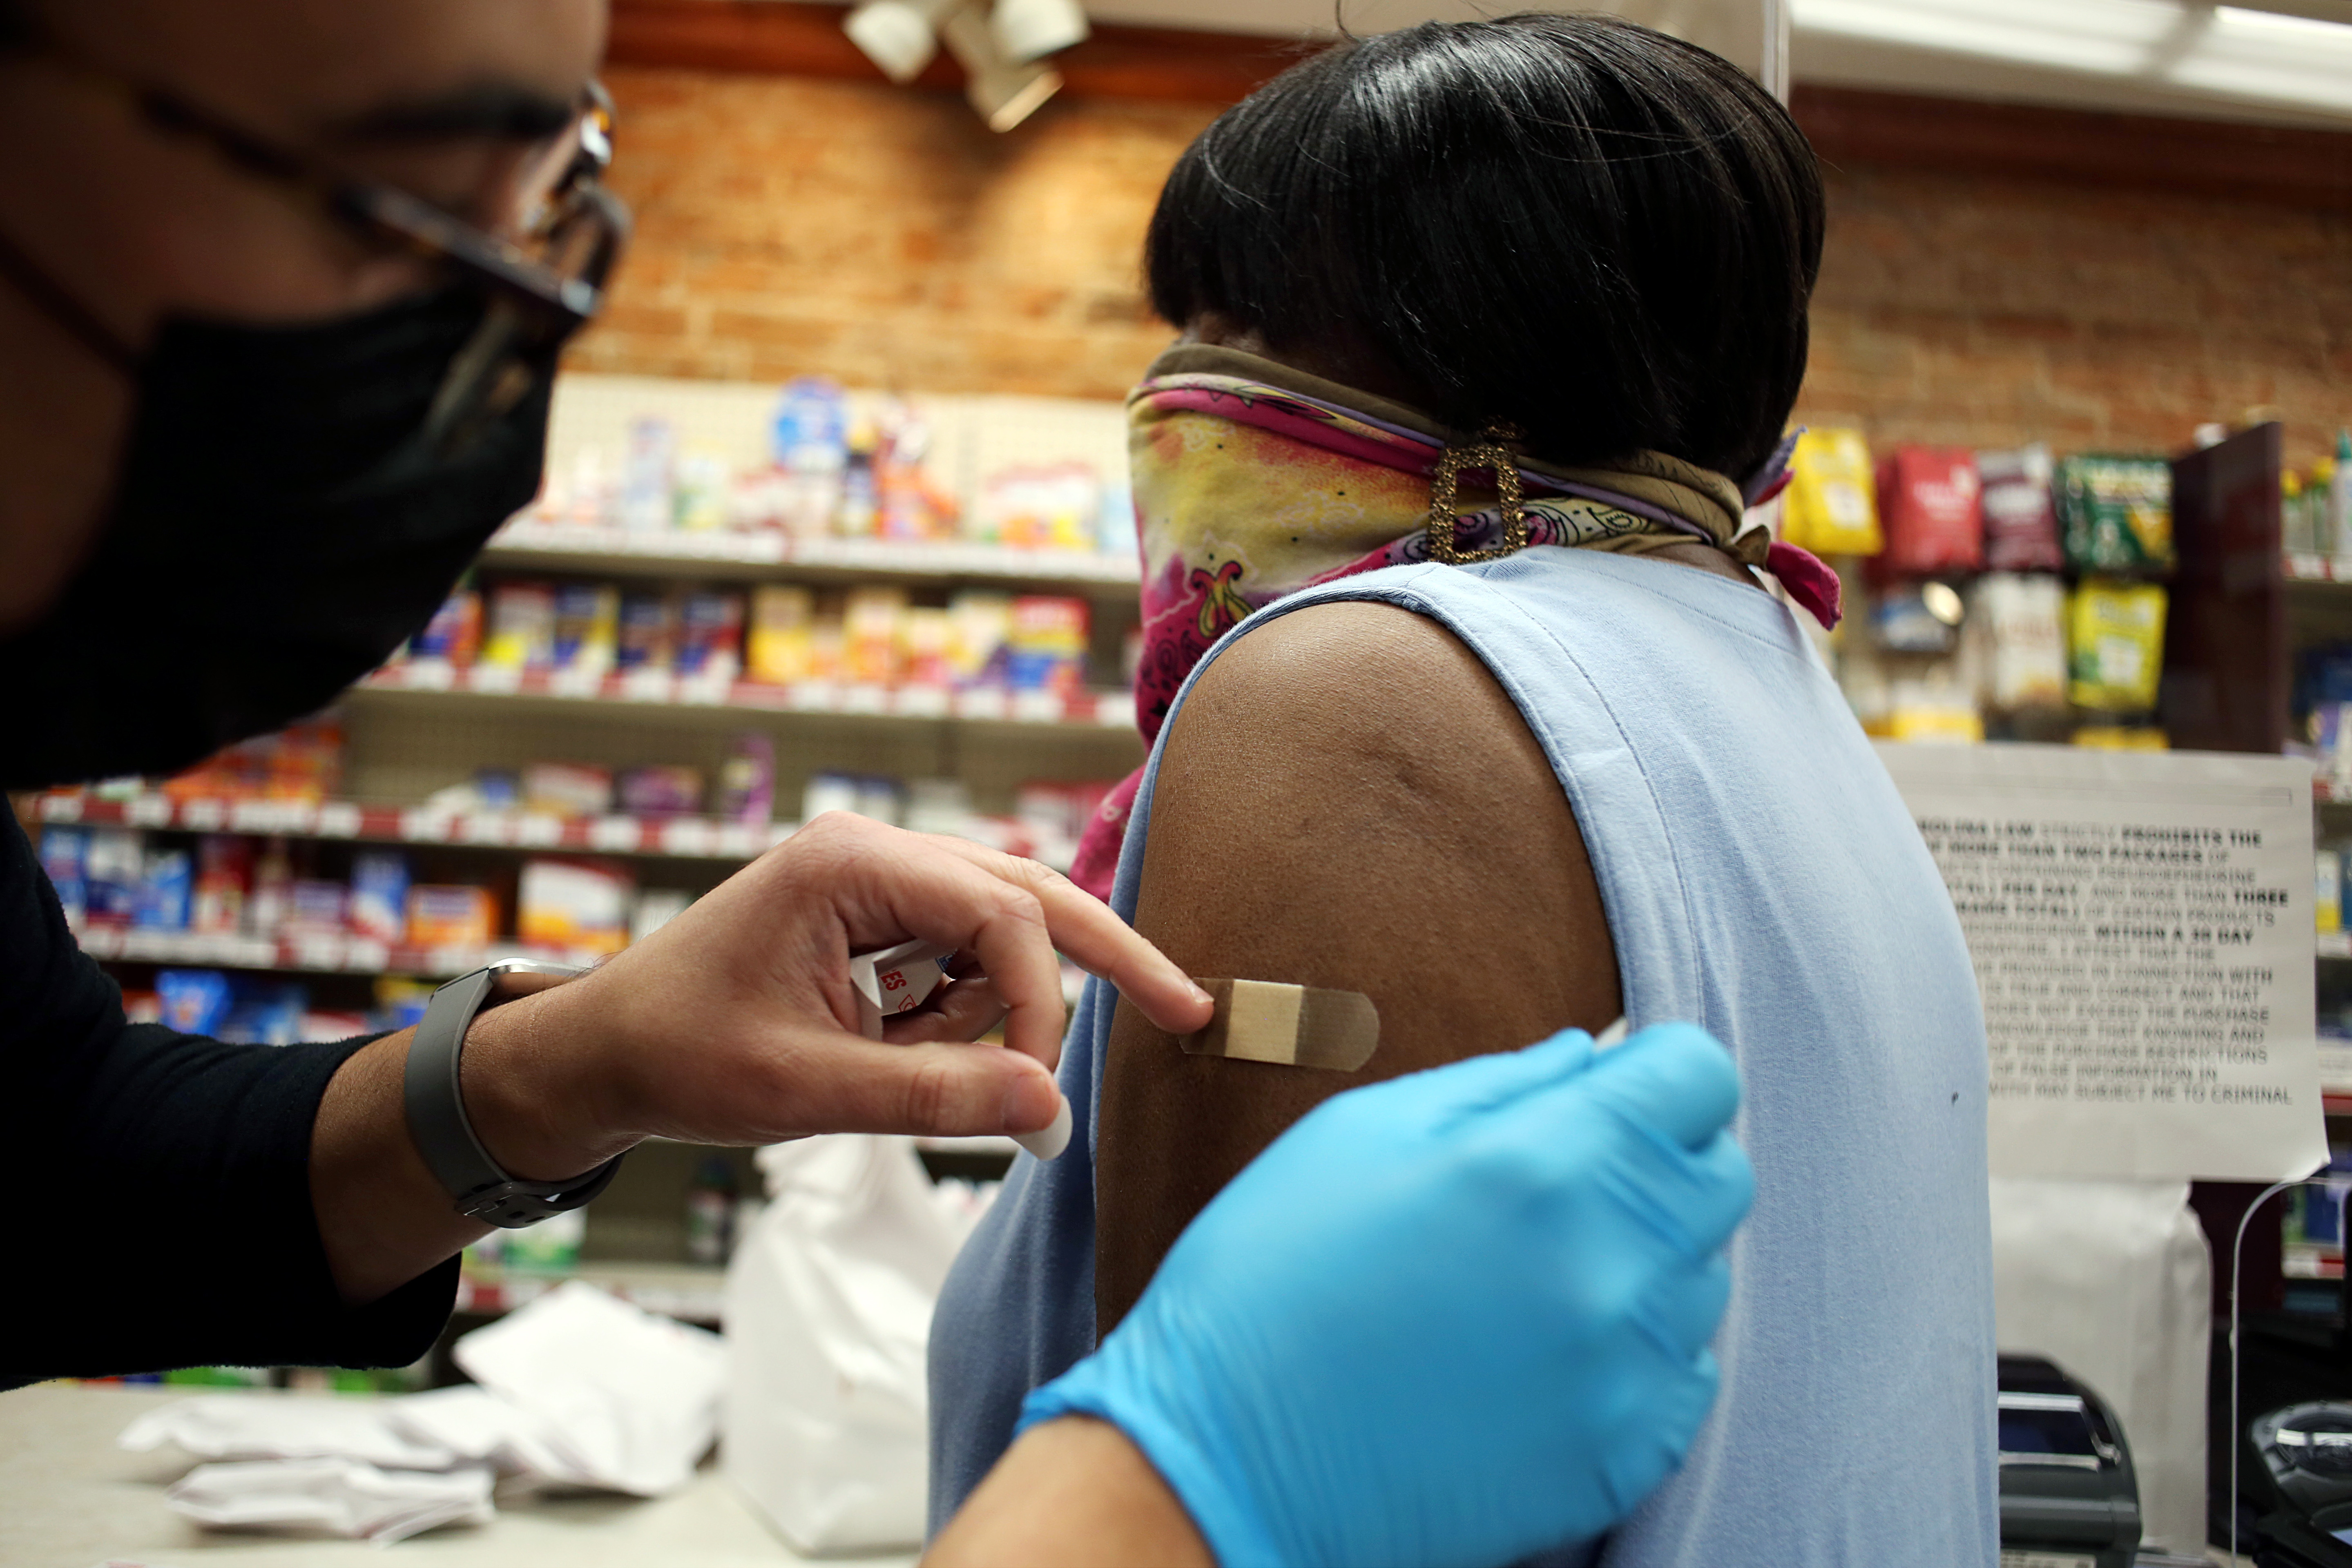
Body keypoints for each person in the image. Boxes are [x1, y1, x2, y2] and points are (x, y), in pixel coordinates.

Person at [0, 2, 1756, 1562]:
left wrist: (578, 1059)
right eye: (390, 198)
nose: (507, 340)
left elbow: (52, 1167)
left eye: (551, 208)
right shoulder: (1653, 683)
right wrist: (1189, 1489)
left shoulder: (1391, 701)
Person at [929, 14, 2000, 1567]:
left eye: (1247, 321)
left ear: (1489, 365)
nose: (1178, 390)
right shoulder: (1768, 666)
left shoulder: (1357, 695)